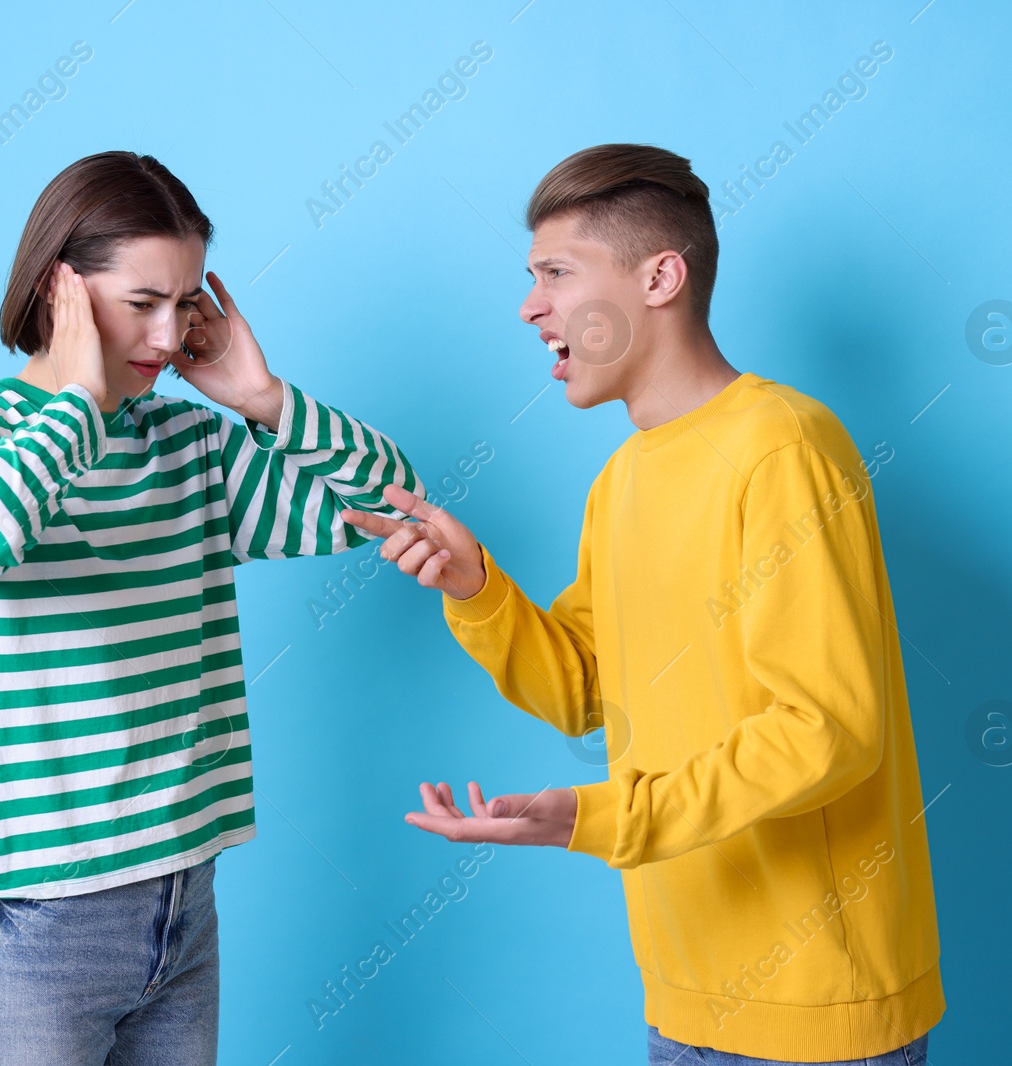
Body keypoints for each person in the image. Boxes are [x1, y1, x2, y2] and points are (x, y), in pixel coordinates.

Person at [343, 143, 943, 1065]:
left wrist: (600, 818)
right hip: (683, 998)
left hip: (814, 1013)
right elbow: (587, 687)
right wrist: (476, 588)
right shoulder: (622, 479)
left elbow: (824, 727)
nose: (530, 305)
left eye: (556, 272)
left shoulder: (782, 447)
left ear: (661, 276)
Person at [0, 150, 423, 1065]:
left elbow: (388, 503)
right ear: (59, 290)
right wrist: (77, 401)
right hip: (34, 910)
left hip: (182, 896)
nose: (166, 334)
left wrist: (264, 400)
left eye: (183, 305)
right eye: (140, 302)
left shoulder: (190, 444)